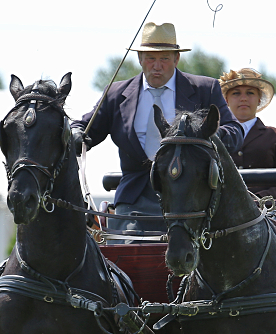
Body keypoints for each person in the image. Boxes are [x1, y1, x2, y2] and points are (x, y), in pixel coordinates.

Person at [73, 22, 244, 236]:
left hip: (194, 200)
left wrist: (202, 135)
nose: (157, 66)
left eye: (164, 58)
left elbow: (234, 131)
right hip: (135, 201)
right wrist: (73, 134)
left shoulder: (205, 89)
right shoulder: (116, 95)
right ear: (140, 59)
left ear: (176, 59)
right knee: (128, 258)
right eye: (151, 58)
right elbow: (84, 129)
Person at [218, 68, 276, 199]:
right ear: (226, 100)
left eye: (250, 93)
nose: (243, 98)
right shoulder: (213, 136)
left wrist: (258, 200)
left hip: (266, 212)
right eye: (236, 93)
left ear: (259, 99)